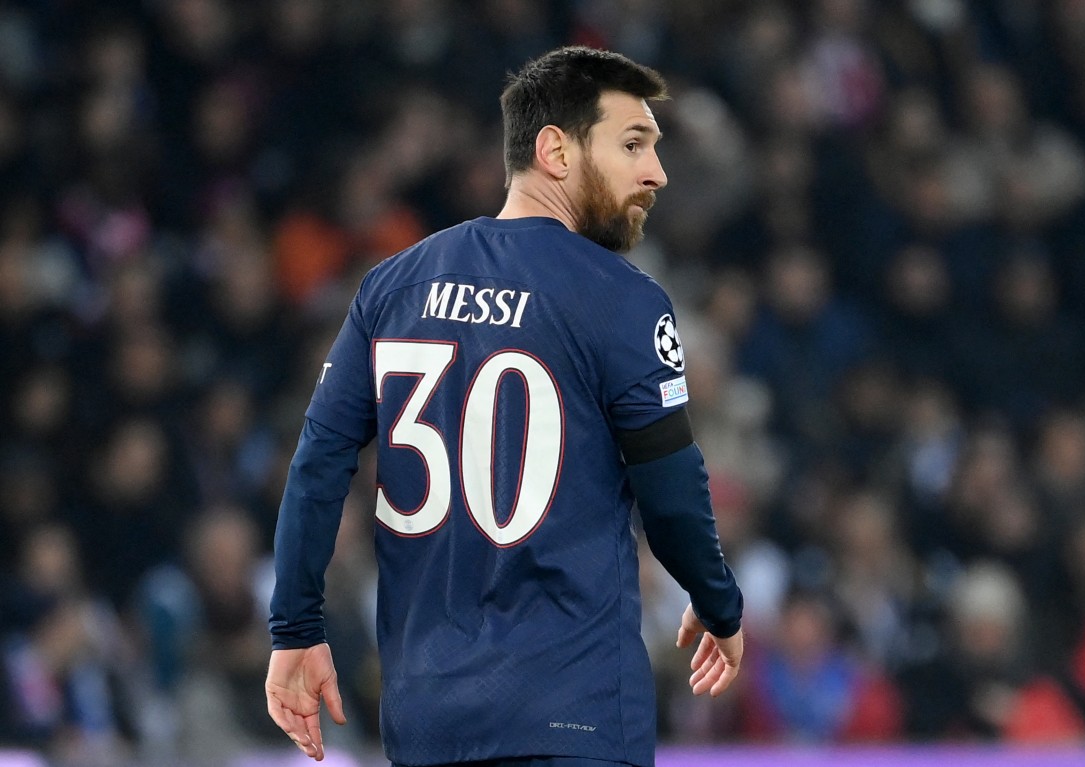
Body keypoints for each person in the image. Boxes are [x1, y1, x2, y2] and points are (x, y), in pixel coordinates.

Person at [265, 46, 745, 767]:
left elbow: (317, 465)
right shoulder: (623, 299)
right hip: (574, 712)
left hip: (429, 722)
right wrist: (718, 601)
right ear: (554, 149)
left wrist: (295, 630)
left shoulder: (391, 288)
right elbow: (671, 496)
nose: (656, 173)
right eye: (632, 144)